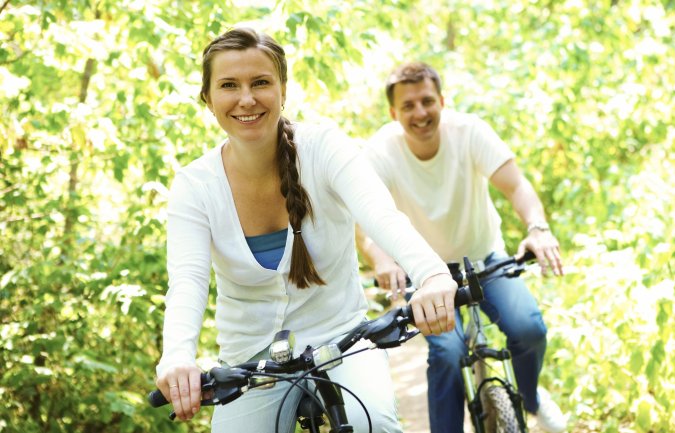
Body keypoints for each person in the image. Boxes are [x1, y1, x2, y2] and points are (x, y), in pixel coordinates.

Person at [154, 30, 459, 433]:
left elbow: (381, 215)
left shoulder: (325, 148)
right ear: (208, 100)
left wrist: (432, 274)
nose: (247, 98)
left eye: (260, 82)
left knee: (376, 425)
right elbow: (188, 280)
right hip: (251, 358)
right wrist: (177, 356)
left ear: (283, 90)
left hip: (344, 337)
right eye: (229, 85)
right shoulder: (195, 186)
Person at [356, 62, 568, 433]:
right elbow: (363, 220)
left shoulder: (469, 131)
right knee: (448, 354)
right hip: (425, 275)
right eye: (408, 106)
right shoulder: (381, 152)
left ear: (442, 100)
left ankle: (531, 399)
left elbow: (516, 186)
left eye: (427, 101)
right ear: (393, 113)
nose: (420, 113)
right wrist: (381, 257)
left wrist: (537, 227)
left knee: (528, 327)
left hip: (482, 257)